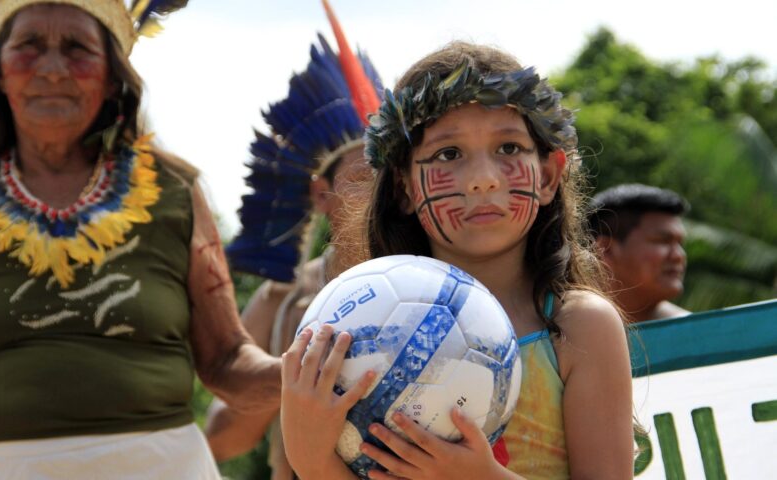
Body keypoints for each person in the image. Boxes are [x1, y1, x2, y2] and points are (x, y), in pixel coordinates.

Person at [0, 1, 280, 479]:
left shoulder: (173, 193)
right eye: (28, 46)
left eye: (77, 48)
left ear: (112, 78)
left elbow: (227, 358)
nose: (51, 68)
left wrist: (297, 373)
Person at [280, 42, 635, 479]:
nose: (483, 180)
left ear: (547, 176)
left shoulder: (580, 326)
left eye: (508, 148)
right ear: (404, 188)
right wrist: (310, 457)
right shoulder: (355, 331)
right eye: (449, 154)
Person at [205, 4, 382, 478]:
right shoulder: (284, 302)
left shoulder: (444, 279)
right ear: (321, 194)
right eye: (366, 175)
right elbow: (230, 437)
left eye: (396, 174)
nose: (386, 190)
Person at [588, 183, 691, 323]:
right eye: (663, 241)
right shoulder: (558, 329)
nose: (679, 256)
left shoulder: (702, 336)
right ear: (607, 249)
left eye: (680, 243)